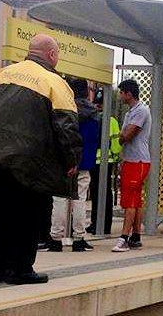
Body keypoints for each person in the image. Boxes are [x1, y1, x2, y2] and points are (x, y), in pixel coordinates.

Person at [0, 34, 82, 285]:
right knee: (28, 215)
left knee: (0, 214)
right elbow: (66, 127)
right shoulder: (55, 83)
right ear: (52, 55)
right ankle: (20, 269)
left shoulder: (0, 75)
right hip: (31, 162)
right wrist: (72, 160)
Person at [47, 78, 99, 252]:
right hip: (84, 161)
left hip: (64, 161)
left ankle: (55, 238)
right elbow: (94, 140)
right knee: (80, 199)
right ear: (86, 92)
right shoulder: (93, 114)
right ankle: (78, 238)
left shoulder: (66, 110)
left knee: (60, 198)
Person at [111, 79, 152, 252]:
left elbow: (126, 135)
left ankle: (124, 237)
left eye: (121, 92)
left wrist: (122, 136)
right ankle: (135, 236)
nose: (120, 96)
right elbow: (124, 134)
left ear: (129, 93)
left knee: (130, 201)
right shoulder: (130, 112)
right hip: (131, 159)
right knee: (135, 200)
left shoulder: (141, 111)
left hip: (138, 160)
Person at [86, 89, 121, 235]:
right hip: (108, 161)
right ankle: (105, 225)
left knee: (95, 193)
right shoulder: (111, 120)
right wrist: (117, 156)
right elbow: (116, 143)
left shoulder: (91, 118)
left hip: (93, 160)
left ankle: (94, 223)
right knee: (106, 194)